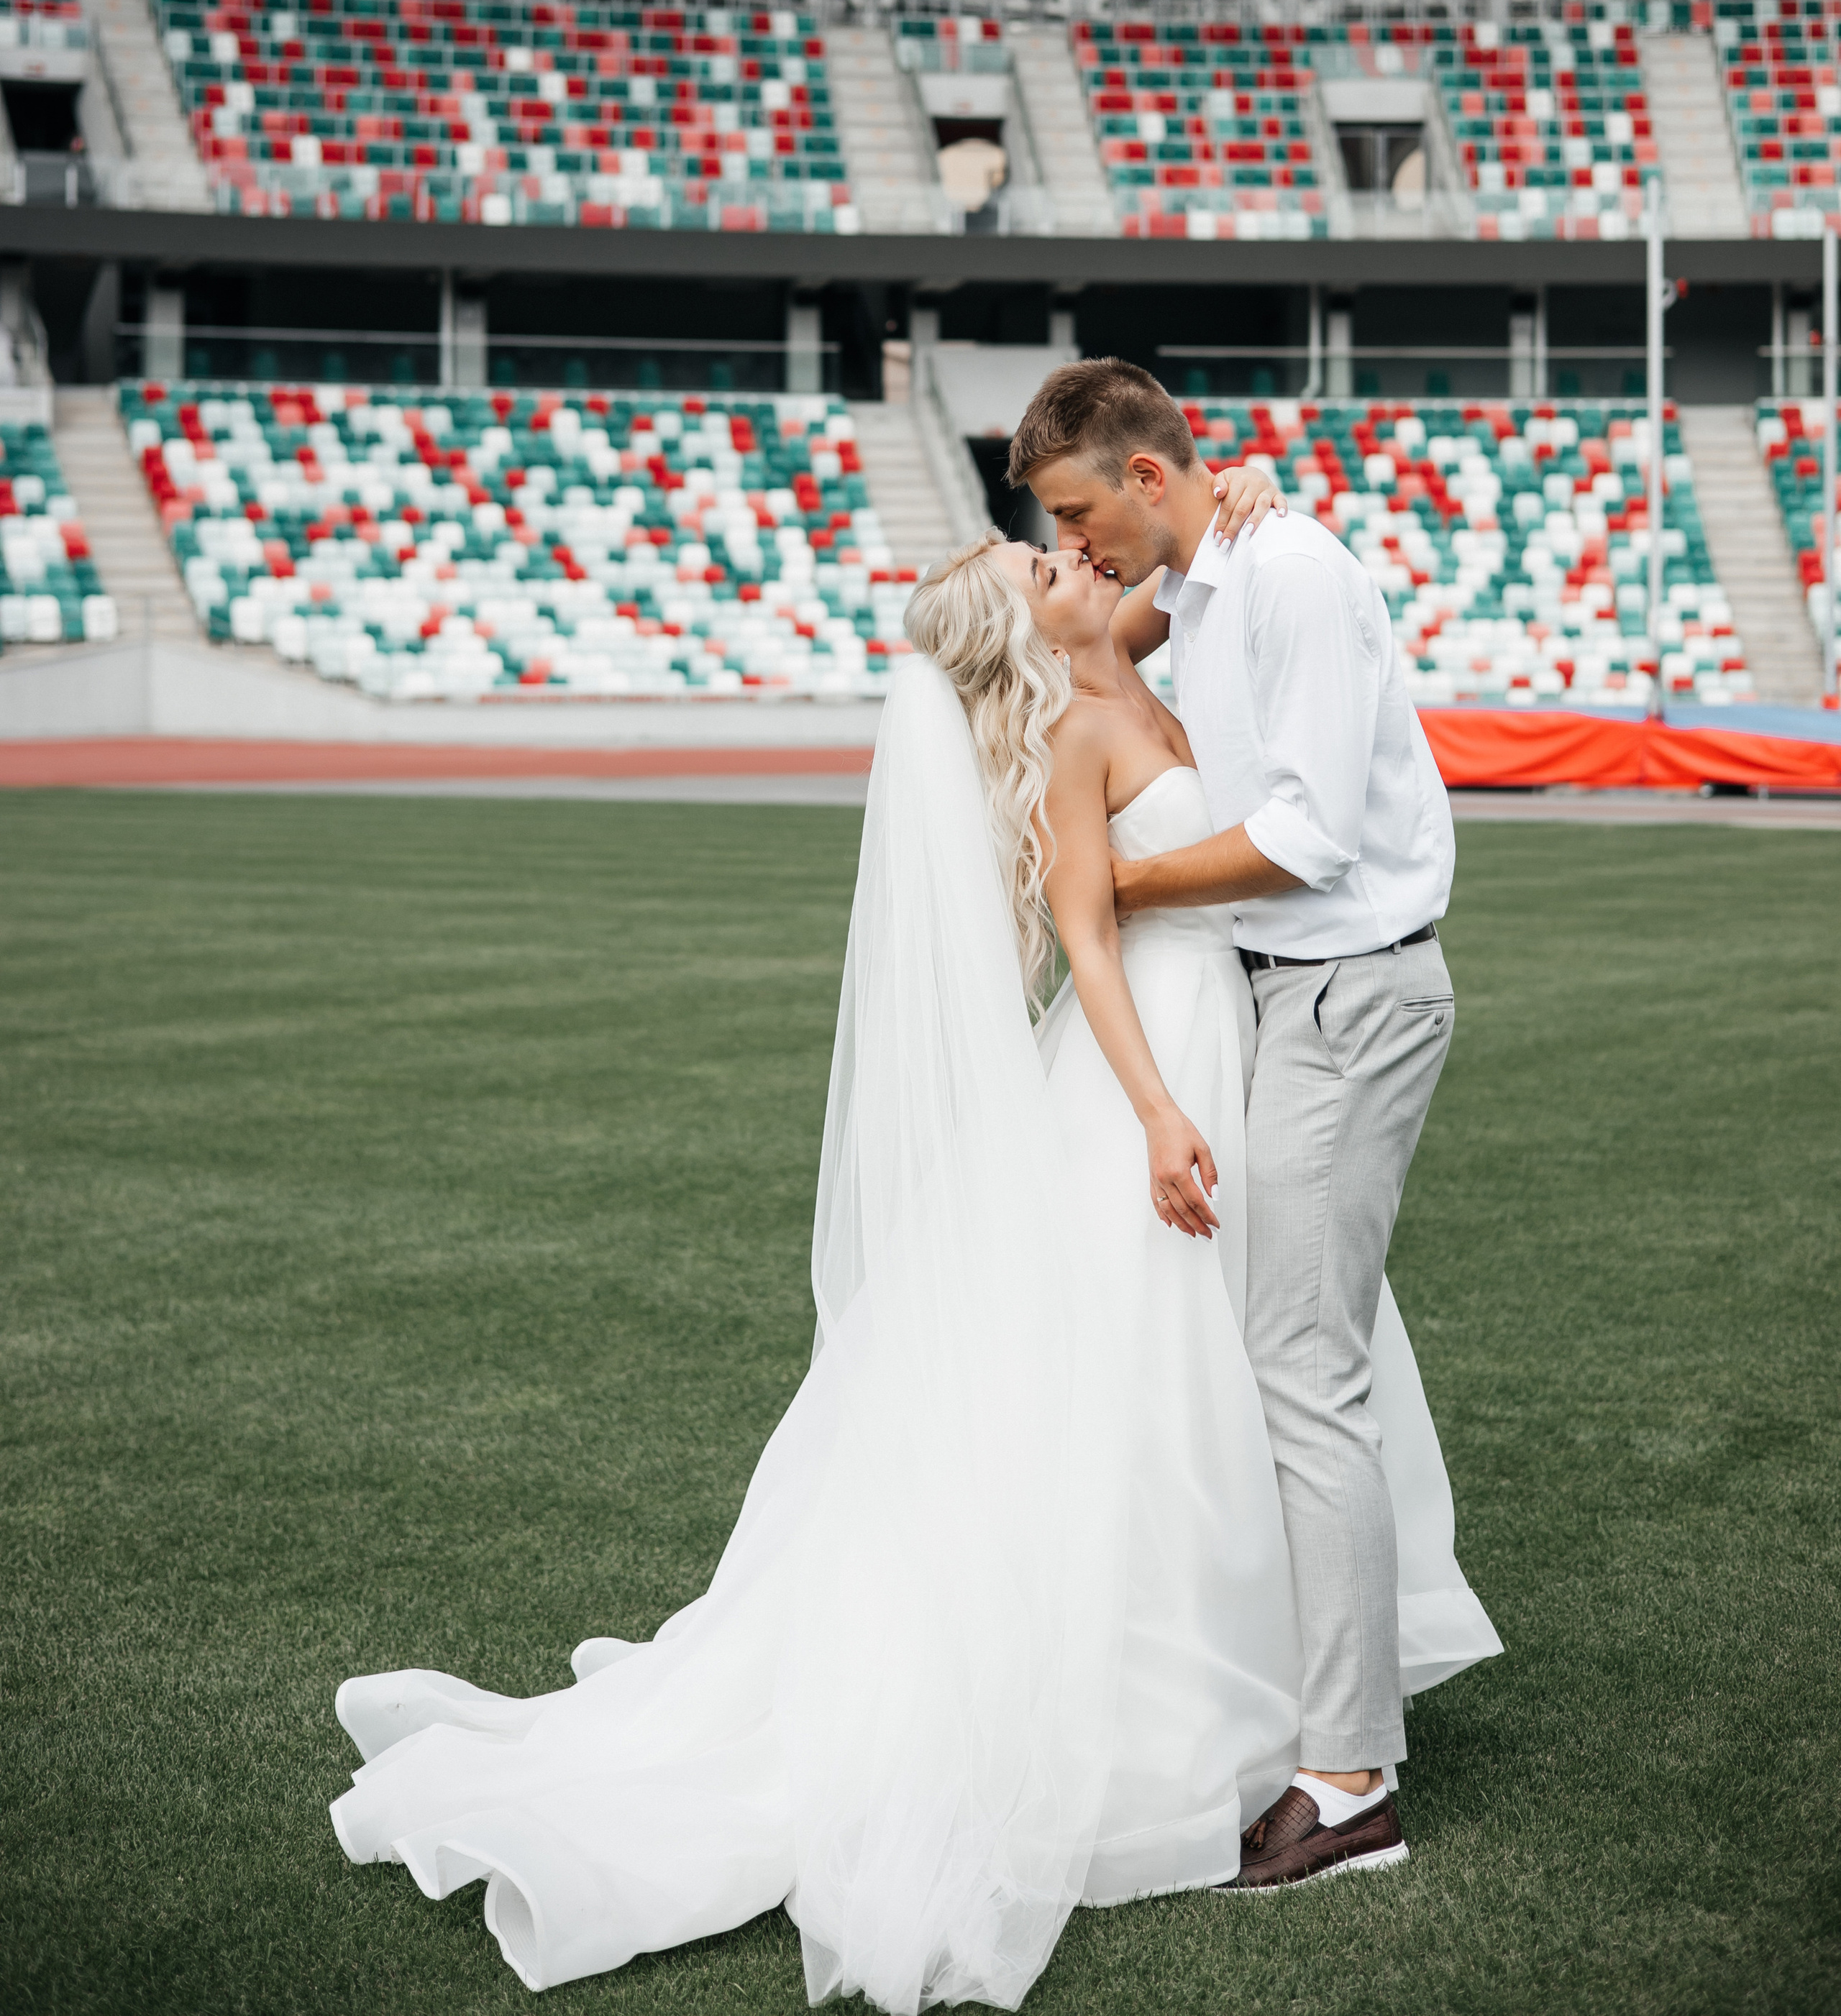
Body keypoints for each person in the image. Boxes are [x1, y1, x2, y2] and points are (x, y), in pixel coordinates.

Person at [328, 523, 1498, 2004]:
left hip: (1233, 1030)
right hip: (1160, 1057)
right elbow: (1083, 938)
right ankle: (1200, 1708)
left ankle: (1292, 1697)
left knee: (1236, 1370)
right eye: (1042, 563)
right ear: (1027, 628)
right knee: (1145, 1388)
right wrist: (1152, 1113)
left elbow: (1181, 578)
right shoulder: (1074, 727)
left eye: (1062, 545)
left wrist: (1233, 509)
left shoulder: (1118, 658)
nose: (1068, 558)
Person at [1008, 358, 1471, 1889]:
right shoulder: (1208, 575)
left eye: (1084, 514)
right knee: (1290, 1359)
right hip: (1291, 1002)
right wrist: (1214, 519)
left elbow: (1303, 834)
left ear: (1145, 477)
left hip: (1346, 994)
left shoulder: (1279, 577)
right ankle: (1315, 1722)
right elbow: (1098, 647)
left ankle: (1344, 1785)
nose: (1079, 551)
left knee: (1301, 1370)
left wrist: (1121, 887)